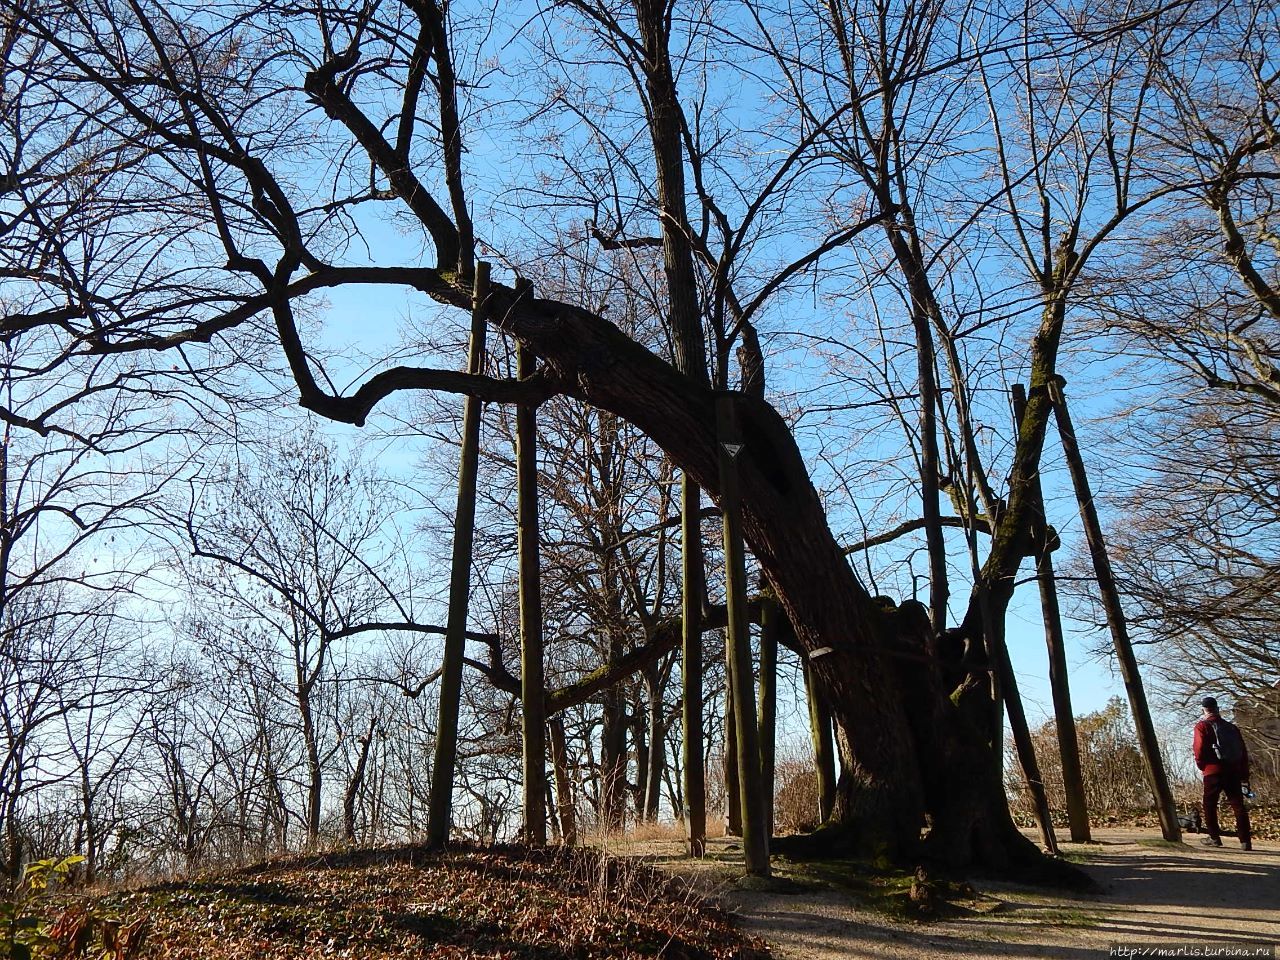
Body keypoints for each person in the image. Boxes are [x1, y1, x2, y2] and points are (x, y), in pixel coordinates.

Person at [1192, 696, 1252, 850]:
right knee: (1238, 805)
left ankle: (1214, 837)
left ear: (1203, 710)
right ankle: (1245, 840)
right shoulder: (1231, 728)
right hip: (1232, 771)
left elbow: (1198, 750)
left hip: (1212, 771)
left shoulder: (1202, 726)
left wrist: (1202, 766)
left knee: (1210, 804)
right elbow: (1243, 752)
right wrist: (1244, 775)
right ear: (1217, 708)